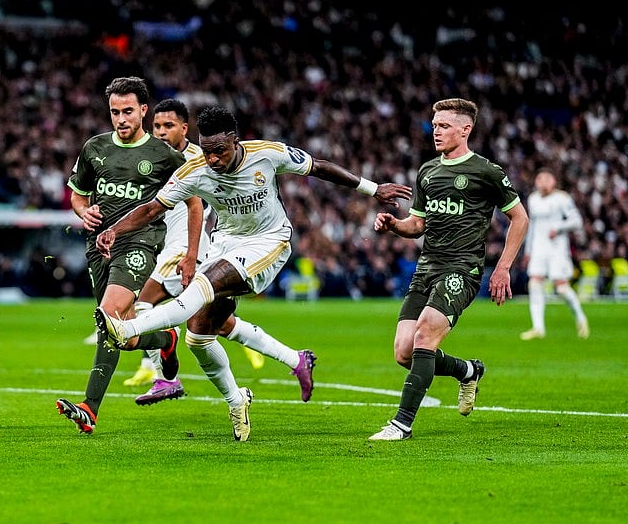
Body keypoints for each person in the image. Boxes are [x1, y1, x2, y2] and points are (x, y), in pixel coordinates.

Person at [96, 105, 411, 441]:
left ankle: (127, 327)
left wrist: (372, 188)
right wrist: (115, 229)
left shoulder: (268, 154)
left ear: (235, 141)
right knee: (198, 335)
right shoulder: (195, 170)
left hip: (269, 242)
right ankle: (237, 400)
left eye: (220, 151)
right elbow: (153, 207)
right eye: (207, 151)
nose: (213, 159)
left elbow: (318, 168)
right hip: (225, 244)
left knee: (200, 287)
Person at [130, 99, 318, 409]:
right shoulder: (154, 159)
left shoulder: (195, 159)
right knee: (212, 326)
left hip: (194, 248)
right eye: (157, 127)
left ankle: (166, 378)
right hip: (207, 245)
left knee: (146, 302)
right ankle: (295, 359)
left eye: (169, 126)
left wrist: (191, 255)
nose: (161, 132)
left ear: (185, 129)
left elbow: (194, 208)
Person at [367, 98, 529, 441]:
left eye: (443, 126)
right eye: (434, 125)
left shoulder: (486, 171)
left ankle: (401, 424)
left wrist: (502, 268)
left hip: (462, 269)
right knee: (404, 352)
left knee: (425, 334)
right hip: (426, 268)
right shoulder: (427, 171)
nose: (436, 132)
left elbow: (519, 218)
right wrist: (394, 225)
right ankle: (468, 370)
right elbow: (417, 226)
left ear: (465, 129)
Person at [55, 76, 198, 435]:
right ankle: (165, 340)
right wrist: (82, 212)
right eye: (115, 112)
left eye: (128, 111)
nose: (121, 119)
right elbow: (78, 194)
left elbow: (194, 203)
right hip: (98, 245)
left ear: (144, 111)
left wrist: (191, 254)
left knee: (109, 315)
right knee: (124, 334)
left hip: (140, 243)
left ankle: (90, 407)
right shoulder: (94, 148)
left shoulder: (164, 156)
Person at [519, 168, 589, 340]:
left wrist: (558, 228)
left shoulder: (562, 199)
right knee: (534, 284)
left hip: (557, 249)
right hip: (538, 248)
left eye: (546, 179)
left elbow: (577, 221)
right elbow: (532, 226)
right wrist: (528, 251)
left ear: (554, 182)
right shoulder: (533, 199)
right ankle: (538, 328)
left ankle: (581, 318)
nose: (542, 182)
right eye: (539, 179)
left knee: (562, 288)